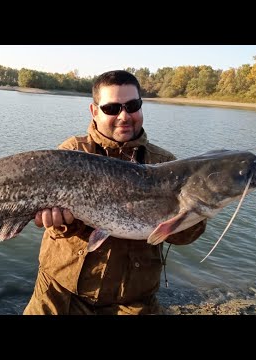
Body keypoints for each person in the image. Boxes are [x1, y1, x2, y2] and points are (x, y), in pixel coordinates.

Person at [23, 70, 207, 315]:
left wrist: (194, 211)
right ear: (94, 111)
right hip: (60, 291)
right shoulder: (72, 153)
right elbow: (58, 228)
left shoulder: (164, 164)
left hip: (133, 301)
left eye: (132, 105)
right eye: (112, 108)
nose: (124, 116)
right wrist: (61, 223)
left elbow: (185, 237)